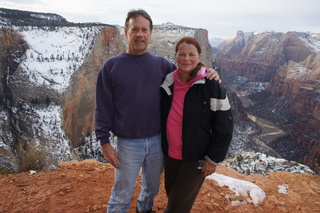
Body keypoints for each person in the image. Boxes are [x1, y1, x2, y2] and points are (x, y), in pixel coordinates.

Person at [94, 9, 220, 213]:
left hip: (157, 142)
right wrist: (104, 142)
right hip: (127, 143)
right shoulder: (111, 67)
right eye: (135, 29)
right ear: (126, 32)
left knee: (151, 188)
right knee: (122, 192)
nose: (140, 34)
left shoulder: (162, 65)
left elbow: (187, 70)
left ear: (150, 33)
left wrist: (207, 71)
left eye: (144, 30)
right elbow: (103, 105)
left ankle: (143, 210)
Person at [160, 37, 233, 213]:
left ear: (200, 56)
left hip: (196, 158)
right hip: (171, 155)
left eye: (191, 54)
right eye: (182, 54)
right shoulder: (167, 82)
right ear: (175, 56)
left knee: (176, 208)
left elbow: (225, 124)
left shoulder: (211, 85)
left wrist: (213, 158)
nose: (186, 59)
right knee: (174, 197)